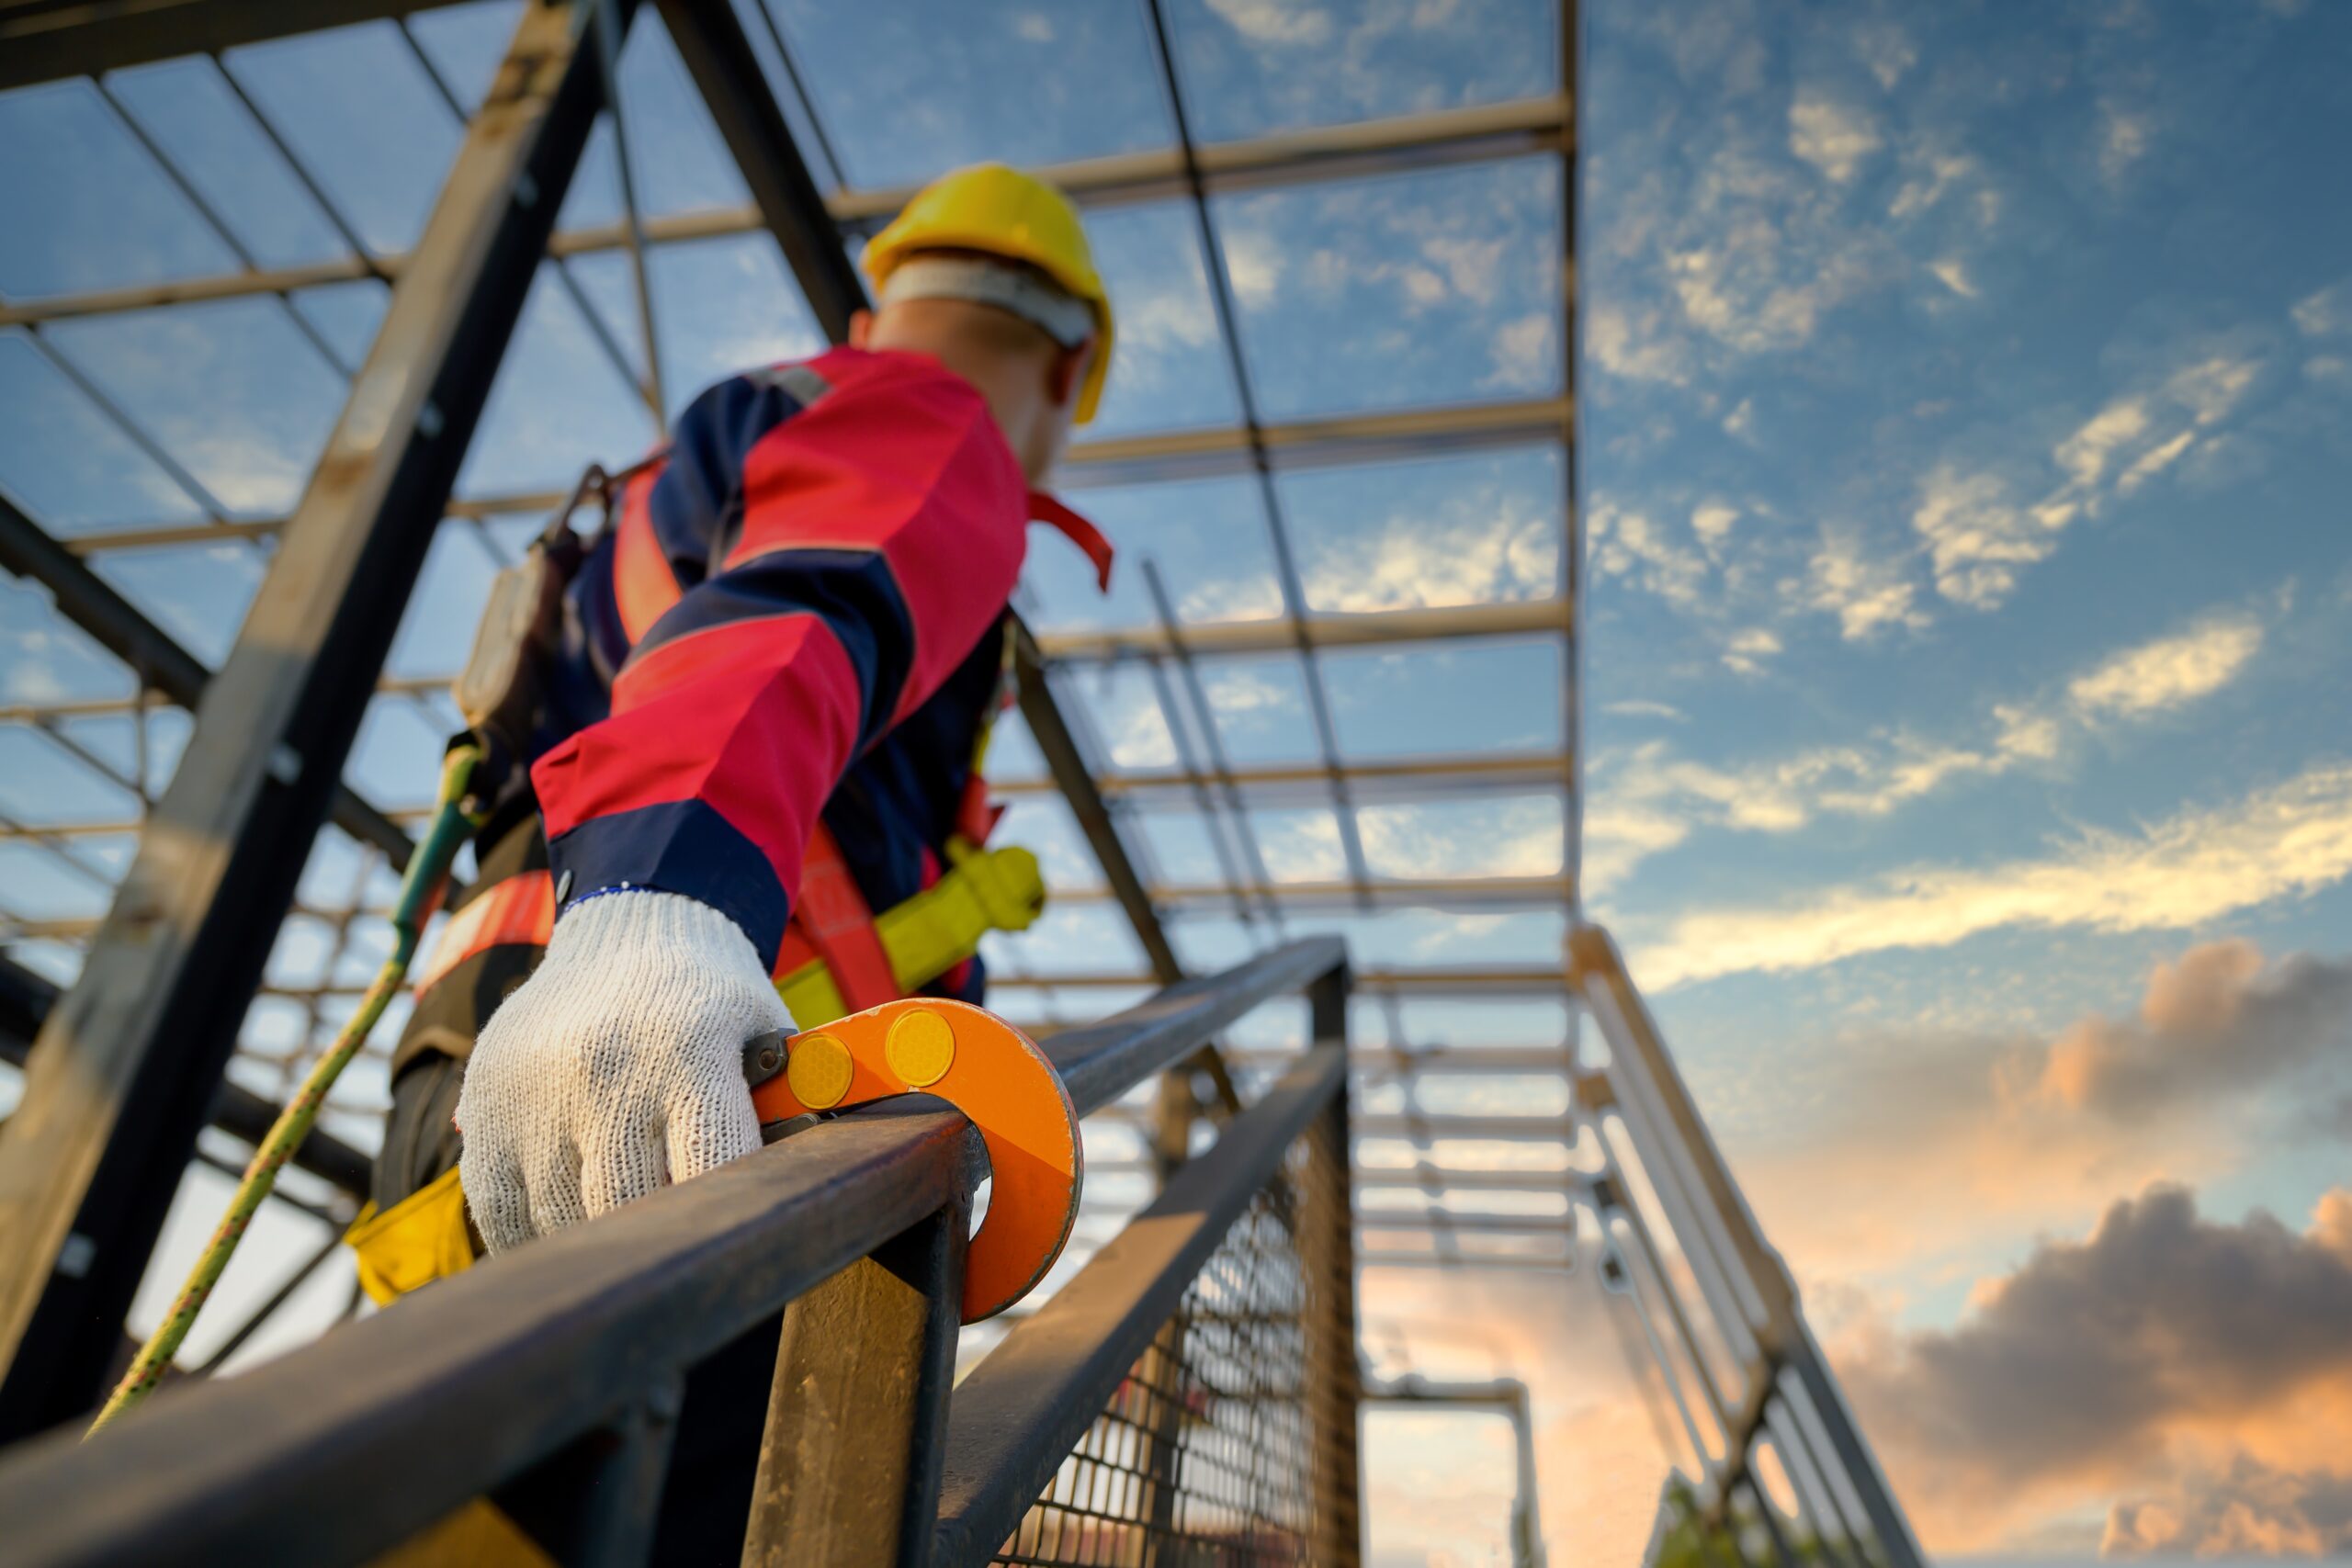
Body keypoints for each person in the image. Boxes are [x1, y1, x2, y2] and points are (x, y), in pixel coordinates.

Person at [355, 164, 1113, 1557]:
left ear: (874, 304)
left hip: (506, 1085)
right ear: (1070, 365)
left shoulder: (733, 438)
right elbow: (790, 620)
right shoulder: (934, 427)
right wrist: (664, 900)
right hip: (669, 1098)